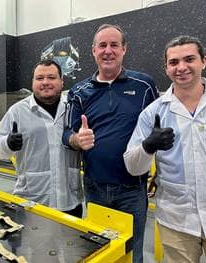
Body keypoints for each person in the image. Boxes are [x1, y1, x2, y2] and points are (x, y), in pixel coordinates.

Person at [124, 35, 206, 262]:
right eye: (173, 62)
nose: (181, 67)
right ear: (166, 68)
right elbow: (133, 167)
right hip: (176, 224)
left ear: (204, 61)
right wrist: (147, 147)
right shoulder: (152, 114)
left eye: (189, 59)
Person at [62, 24, 159, 262]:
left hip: (133, 188)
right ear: (93, 51)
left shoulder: (144, 85)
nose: (108, 50)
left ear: (124, 49)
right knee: (100, 251)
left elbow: (160, 131)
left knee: (133, 252)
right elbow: (66, 134)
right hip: (95, 186)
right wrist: (77, 139)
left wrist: (160, 172)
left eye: (114, 45)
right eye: (102, 45)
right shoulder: (78, 91)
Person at [0, 59, 83, 217]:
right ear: (33, 82)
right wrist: (7, 143)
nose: (45, 82)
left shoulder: (74, 108)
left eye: (51, 77)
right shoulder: (17, 112)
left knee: (69, 242)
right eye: (40, 78)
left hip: (70, 200)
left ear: (62, 82)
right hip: (32, 201)